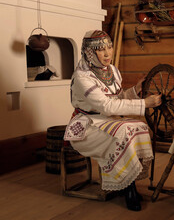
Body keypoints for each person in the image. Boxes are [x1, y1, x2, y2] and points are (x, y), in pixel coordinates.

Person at [63, 30, 161, 211]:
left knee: (139, 126)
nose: (108, 53)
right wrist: (144, 103)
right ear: (89, 53)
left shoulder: (112, 71)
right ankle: (128, 188)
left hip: (108, 120)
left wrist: (134, 91)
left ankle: (127, 181)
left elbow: (116, 98)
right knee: (124, 131)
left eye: (109, 47)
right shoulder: (82, 77)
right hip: (86, 127)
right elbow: (107, 106)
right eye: (101, 50)